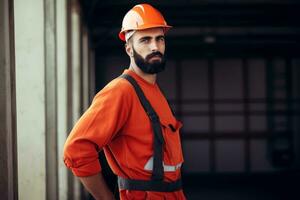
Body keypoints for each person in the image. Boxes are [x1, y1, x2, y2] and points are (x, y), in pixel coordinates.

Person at [63, 3, 186, 200]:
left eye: (159, 39)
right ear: (129, 48)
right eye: (145, 40)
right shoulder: (121, 91)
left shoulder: (153, 91)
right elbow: (76, 150)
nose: (155, 46)